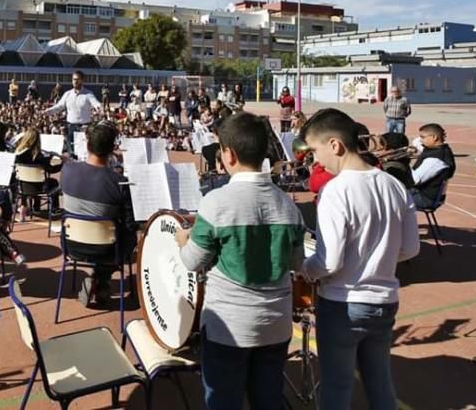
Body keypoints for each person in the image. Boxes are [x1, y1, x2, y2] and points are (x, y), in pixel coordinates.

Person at [176, 112, 306, 410]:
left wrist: (184, 241)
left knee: (223, 400)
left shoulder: (216, 202)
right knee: (267, 398)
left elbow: (193, 262)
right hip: (276, 324)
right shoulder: (288, 206)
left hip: (229, 328)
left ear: (228, 155)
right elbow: (297, 264)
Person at [299, 108, 420, 410]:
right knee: (379, 381)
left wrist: (303, 268)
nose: (314, 159)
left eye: (315, 150)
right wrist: (378, 260)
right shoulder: (394, 184)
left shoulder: (336, 190)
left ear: (335, 145)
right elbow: (411, 248)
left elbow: (329, 261)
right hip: (385, 301)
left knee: (337, 387)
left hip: (343, 304)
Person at [59, 122, 135, 306]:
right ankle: (102, 278)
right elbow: (130, 223)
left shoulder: (67, 170)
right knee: (128, 234)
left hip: (71, 245)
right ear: (112, 150)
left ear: (87, 145)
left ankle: (101, 279)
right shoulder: (119, 182)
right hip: (107, 250)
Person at [44, 70, 102, 153]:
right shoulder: (67, 94)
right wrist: (48, 111)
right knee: (71, 151)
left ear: (82, 80)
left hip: (85, 127)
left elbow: (95, 103)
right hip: (71, 127)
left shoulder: (88, 94)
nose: (75, 81)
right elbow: (59, 106)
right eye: (73, 79)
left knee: (84, 151)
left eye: (77, 79)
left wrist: (99, 107)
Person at [13, 128, 62, 217]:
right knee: (53, 182)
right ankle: (54, 208)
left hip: (23, 187)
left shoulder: (18, 154)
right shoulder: (38, 155)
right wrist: (62, 165)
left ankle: (34, 206)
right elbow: (50, 169)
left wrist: (47, 159)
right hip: (39, 188)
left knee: (33, 179)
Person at [410, 123, 455, 209]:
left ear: (434, 137)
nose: (420, 140)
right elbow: (416, 142)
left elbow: (414, 180)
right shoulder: (442, 149)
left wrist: (402, 164)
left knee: (388, 196)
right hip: (425, 194)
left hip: (425, 198)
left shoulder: (436, 160)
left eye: (423, 137)